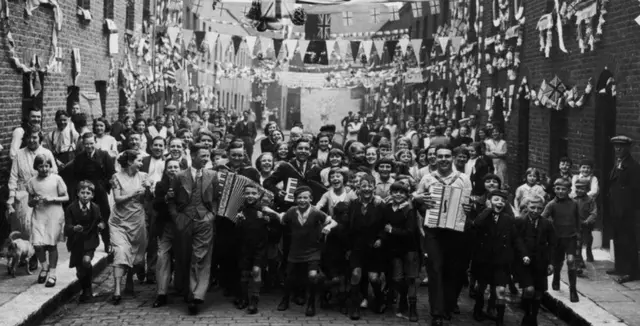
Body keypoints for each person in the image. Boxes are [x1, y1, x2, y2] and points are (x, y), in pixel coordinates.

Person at [414, 144, 472, 326]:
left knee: (453, 270)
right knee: (435, 269)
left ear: (452, 158)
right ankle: (437, 313)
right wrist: (420, 200)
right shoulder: (428, 178)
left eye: (447, 156)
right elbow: (416, 199)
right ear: (435, 159)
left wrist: (470, 208)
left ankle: (448, 304)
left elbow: (469, 203)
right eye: (440, 156)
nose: (444, 159)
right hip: (434, 231)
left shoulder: (463, 179)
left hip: (456, 232)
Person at [168, 144, 220, 314]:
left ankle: (196, 295)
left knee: (200, 257)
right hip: (184, 220)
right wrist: (176, 217)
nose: (206, 159)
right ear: (192, 155)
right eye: (203, 156)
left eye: (208, 156)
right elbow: (172, 200)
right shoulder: (179, 176)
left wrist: (211, 215)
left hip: (204, 220)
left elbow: (216, 199)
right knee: (184, 257)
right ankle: (185, 288)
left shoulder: (212, 175)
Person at [275, 186, 337, 317]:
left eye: (305, 197)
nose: (302, 200)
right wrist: (275, 213)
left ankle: (311, 303)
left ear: (311, 199)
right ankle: (285, 300)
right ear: (295, 199)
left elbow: (333, 222)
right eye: (299, 198)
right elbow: (282, 219)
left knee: (313, 276)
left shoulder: (316, 212)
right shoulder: (292, 211)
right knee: (289, 277)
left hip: (312, 250)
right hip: (295, 250)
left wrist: (329, 228)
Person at [470, 189, 528, 326]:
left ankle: (498, 317)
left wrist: (524, 254)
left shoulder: (507, 219)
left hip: (501, 260)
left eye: (503, 201)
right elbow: (476, 224)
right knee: (481, 287)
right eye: (496, 200)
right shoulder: (483, 215)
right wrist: (488, 210)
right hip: (484, 259)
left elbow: (516, 238)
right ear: (489, 202)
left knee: (500, 289)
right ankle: (478, 309)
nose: (500, 203)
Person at [109, 150, 151, 305]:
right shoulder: (116, 177)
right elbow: (118, 199)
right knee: (120, 251)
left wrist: (149, 189)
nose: (141, 163)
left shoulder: (144, 177)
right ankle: (117, 290)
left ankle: (129, 280)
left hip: (137, 220)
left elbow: (148, 198)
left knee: (136, 254)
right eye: (139, 161)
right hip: (119, 221)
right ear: (129, 162)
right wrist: (134, 193)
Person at [65, 133, 115, 253]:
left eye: (91, 143)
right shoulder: (80, 157)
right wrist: (80, 189)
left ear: (95, 142)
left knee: (104, 216)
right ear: (83, 144)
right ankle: (85, 244)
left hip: (100, 191)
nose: (89, 146)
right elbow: (75, 176)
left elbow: (111, 174)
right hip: (85, 192)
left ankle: (107, 242)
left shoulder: (103, 155)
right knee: (85, 216)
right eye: (86, 144)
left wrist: (104, 186)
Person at [235, 184, 281, 314]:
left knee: (256, 271)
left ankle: (254, 300)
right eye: (247, 193)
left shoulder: (264, 209)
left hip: (260, 247)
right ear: (243, 195)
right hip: (244, 246)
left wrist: (267, 219)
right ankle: (244, 298)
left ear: (258, 195)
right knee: (244, 273)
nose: (250, 196)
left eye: (253, 193)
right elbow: (237, 232)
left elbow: (276, 223)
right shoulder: (241, 209)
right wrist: (238, 222)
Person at [347, 173, 386, 319]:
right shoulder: (353, 204)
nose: (367, 189)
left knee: (373, 278)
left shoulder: (379, 204)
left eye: (370, 186)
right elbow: (349, 227)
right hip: (357, 246)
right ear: (358, 187)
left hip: (374, 247)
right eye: (363, 186)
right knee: (356, 274)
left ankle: (380, 299)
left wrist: (381, 238)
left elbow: (385, 225)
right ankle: (355, 307)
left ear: (374, 188)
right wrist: (349, 247)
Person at [27, 154, 69, 288]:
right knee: (38, 245)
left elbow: (66, 197)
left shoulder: (56, 179)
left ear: (50, 166)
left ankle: (52, 273)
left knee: (51, 245)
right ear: (36, 167)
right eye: (41, 166)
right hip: (39, 214)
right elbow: (29, 202)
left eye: (47, 166)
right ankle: (44, 267)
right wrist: (33, 201)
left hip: (54, 214)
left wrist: (52, 199)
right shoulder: (32, 182)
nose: (44, 169)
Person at [379, 181, 420, 322]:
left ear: (406, 195)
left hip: (409, 249)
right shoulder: (388, 208)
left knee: (411, 279)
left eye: (402, 192)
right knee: (397, 278)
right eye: (395, 191)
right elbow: (383, 225)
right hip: (394, 249)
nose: (398, 194)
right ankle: (402, 300)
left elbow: (410, 231)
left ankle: (412, 308)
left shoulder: (409, 209)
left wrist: (392, 230)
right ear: (391, 193)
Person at [517, 194, 556, 326]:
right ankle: (527, 314)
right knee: (529, 290)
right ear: (527, 206)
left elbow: (552, 244)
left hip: (541, 262)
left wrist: (551, 263)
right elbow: (516, 241)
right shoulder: (520, 221)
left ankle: (533, 317)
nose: (535, 210)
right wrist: (523, 255)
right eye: (532, 207)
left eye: (539, 208)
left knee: (539, 293)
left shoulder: (547, 224)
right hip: (525, 262)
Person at [606, 135, 640, 283]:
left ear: (628, 148)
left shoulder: (633, 167)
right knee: (618, 238)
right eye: (615, 146)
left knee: (629, 241)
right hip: (616, 208)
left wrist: (627, 209)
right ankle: (619, 266)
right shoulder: (618, 163)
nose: (618, 149)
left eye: (621, 146)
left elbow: (635, 190)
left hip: (627, 211)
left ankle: (631, 272)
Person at [64, 181, 104, 302]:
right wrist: (73, 228)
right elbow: (67, 227)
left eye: (88, 193)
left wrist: (101, 225)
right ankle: (85, 288)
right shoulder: (71, 208)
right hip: (76, 242)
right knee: (80, 271)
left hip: (90, 240)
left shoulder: (95, 208)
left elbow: (100, 220)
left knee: (86, 261)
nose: (85, 195)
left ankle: (88, 289)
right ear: (78, 194)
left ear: (92, 195)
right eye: (82, 193)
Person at [542, 178, 580, 302]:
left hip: (571, 238)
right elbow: (543, 219)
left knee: (571, 261)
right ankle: (556, 277)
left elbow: (577, 221)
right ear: (554, 189)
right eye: (558, 189)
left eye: (564, 189)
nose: (560, 191)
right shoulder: (551, 204)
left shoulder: (574, 204)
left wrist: (579, 236)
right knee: (558, 262)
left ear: (569, 190)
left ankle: (573, 290)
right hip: (557, 238)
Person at [151, 158, 182, 308]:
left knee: (183, 257)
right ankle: (161, 293)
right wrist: (165, 198)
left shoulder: (187, 184)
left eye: (176, 167)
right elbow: (155, 205)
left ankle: (182, 287)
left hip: (183, 227)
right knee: (162, 256)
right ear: (165, 169)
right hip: (166, 226)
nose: (173, 170)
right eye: (170, 167)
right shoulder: (161, 185)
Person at [139, 136, 167, 284]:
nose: (158, 148)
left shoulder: (168, 163)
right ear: (150, 147)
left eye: (161, 145)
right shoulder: (143, 161)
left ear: (164, 147)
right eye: (155, 145)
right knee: (143, 233)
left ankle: (151, 271)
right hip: (145, 200)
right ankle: (138, 264)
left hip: (159, 202)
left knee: (154, 236)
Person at [573, 178, 598, 274]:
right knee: (577, 243)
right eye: (577, 188)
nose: (579, 190)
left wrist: (588, 221)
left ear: (587, 189)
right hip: (576, 226)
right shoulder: (573, 199)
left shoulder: (590, 200)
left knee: (587, 239)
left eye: (582, 188)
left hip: (586, 225)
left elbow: (594, 213)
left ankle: (588, 250)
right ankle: (579, 262)